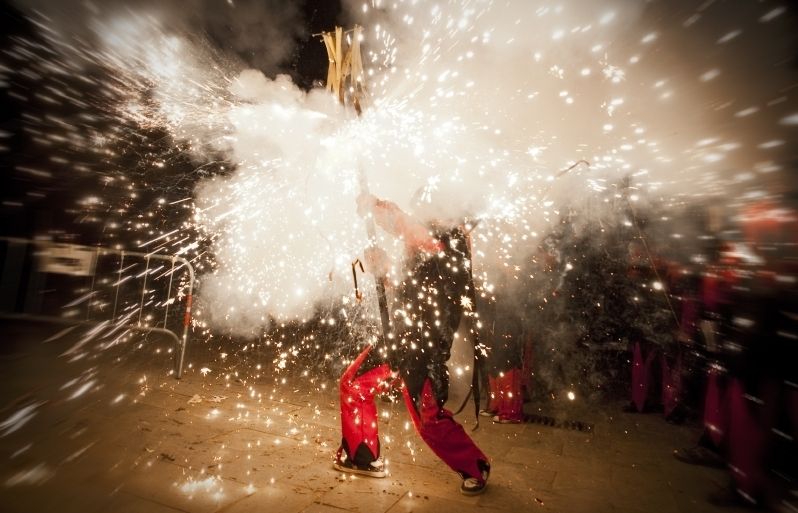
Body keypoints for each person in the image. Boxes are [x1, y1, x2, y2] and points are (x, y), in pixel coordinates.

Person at [334, 192, 491, 496]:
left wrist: (376, 208)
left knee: (429, 421)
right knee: (353, 385)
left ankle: (475, 466)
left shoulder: (452, 242)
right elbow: (407, 282)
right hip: (399, 340)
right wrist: (384, 268)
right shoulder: (425, 240)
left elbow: (413, 232)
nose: (423, 212)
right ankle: (362, 457)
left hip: (424, 352)